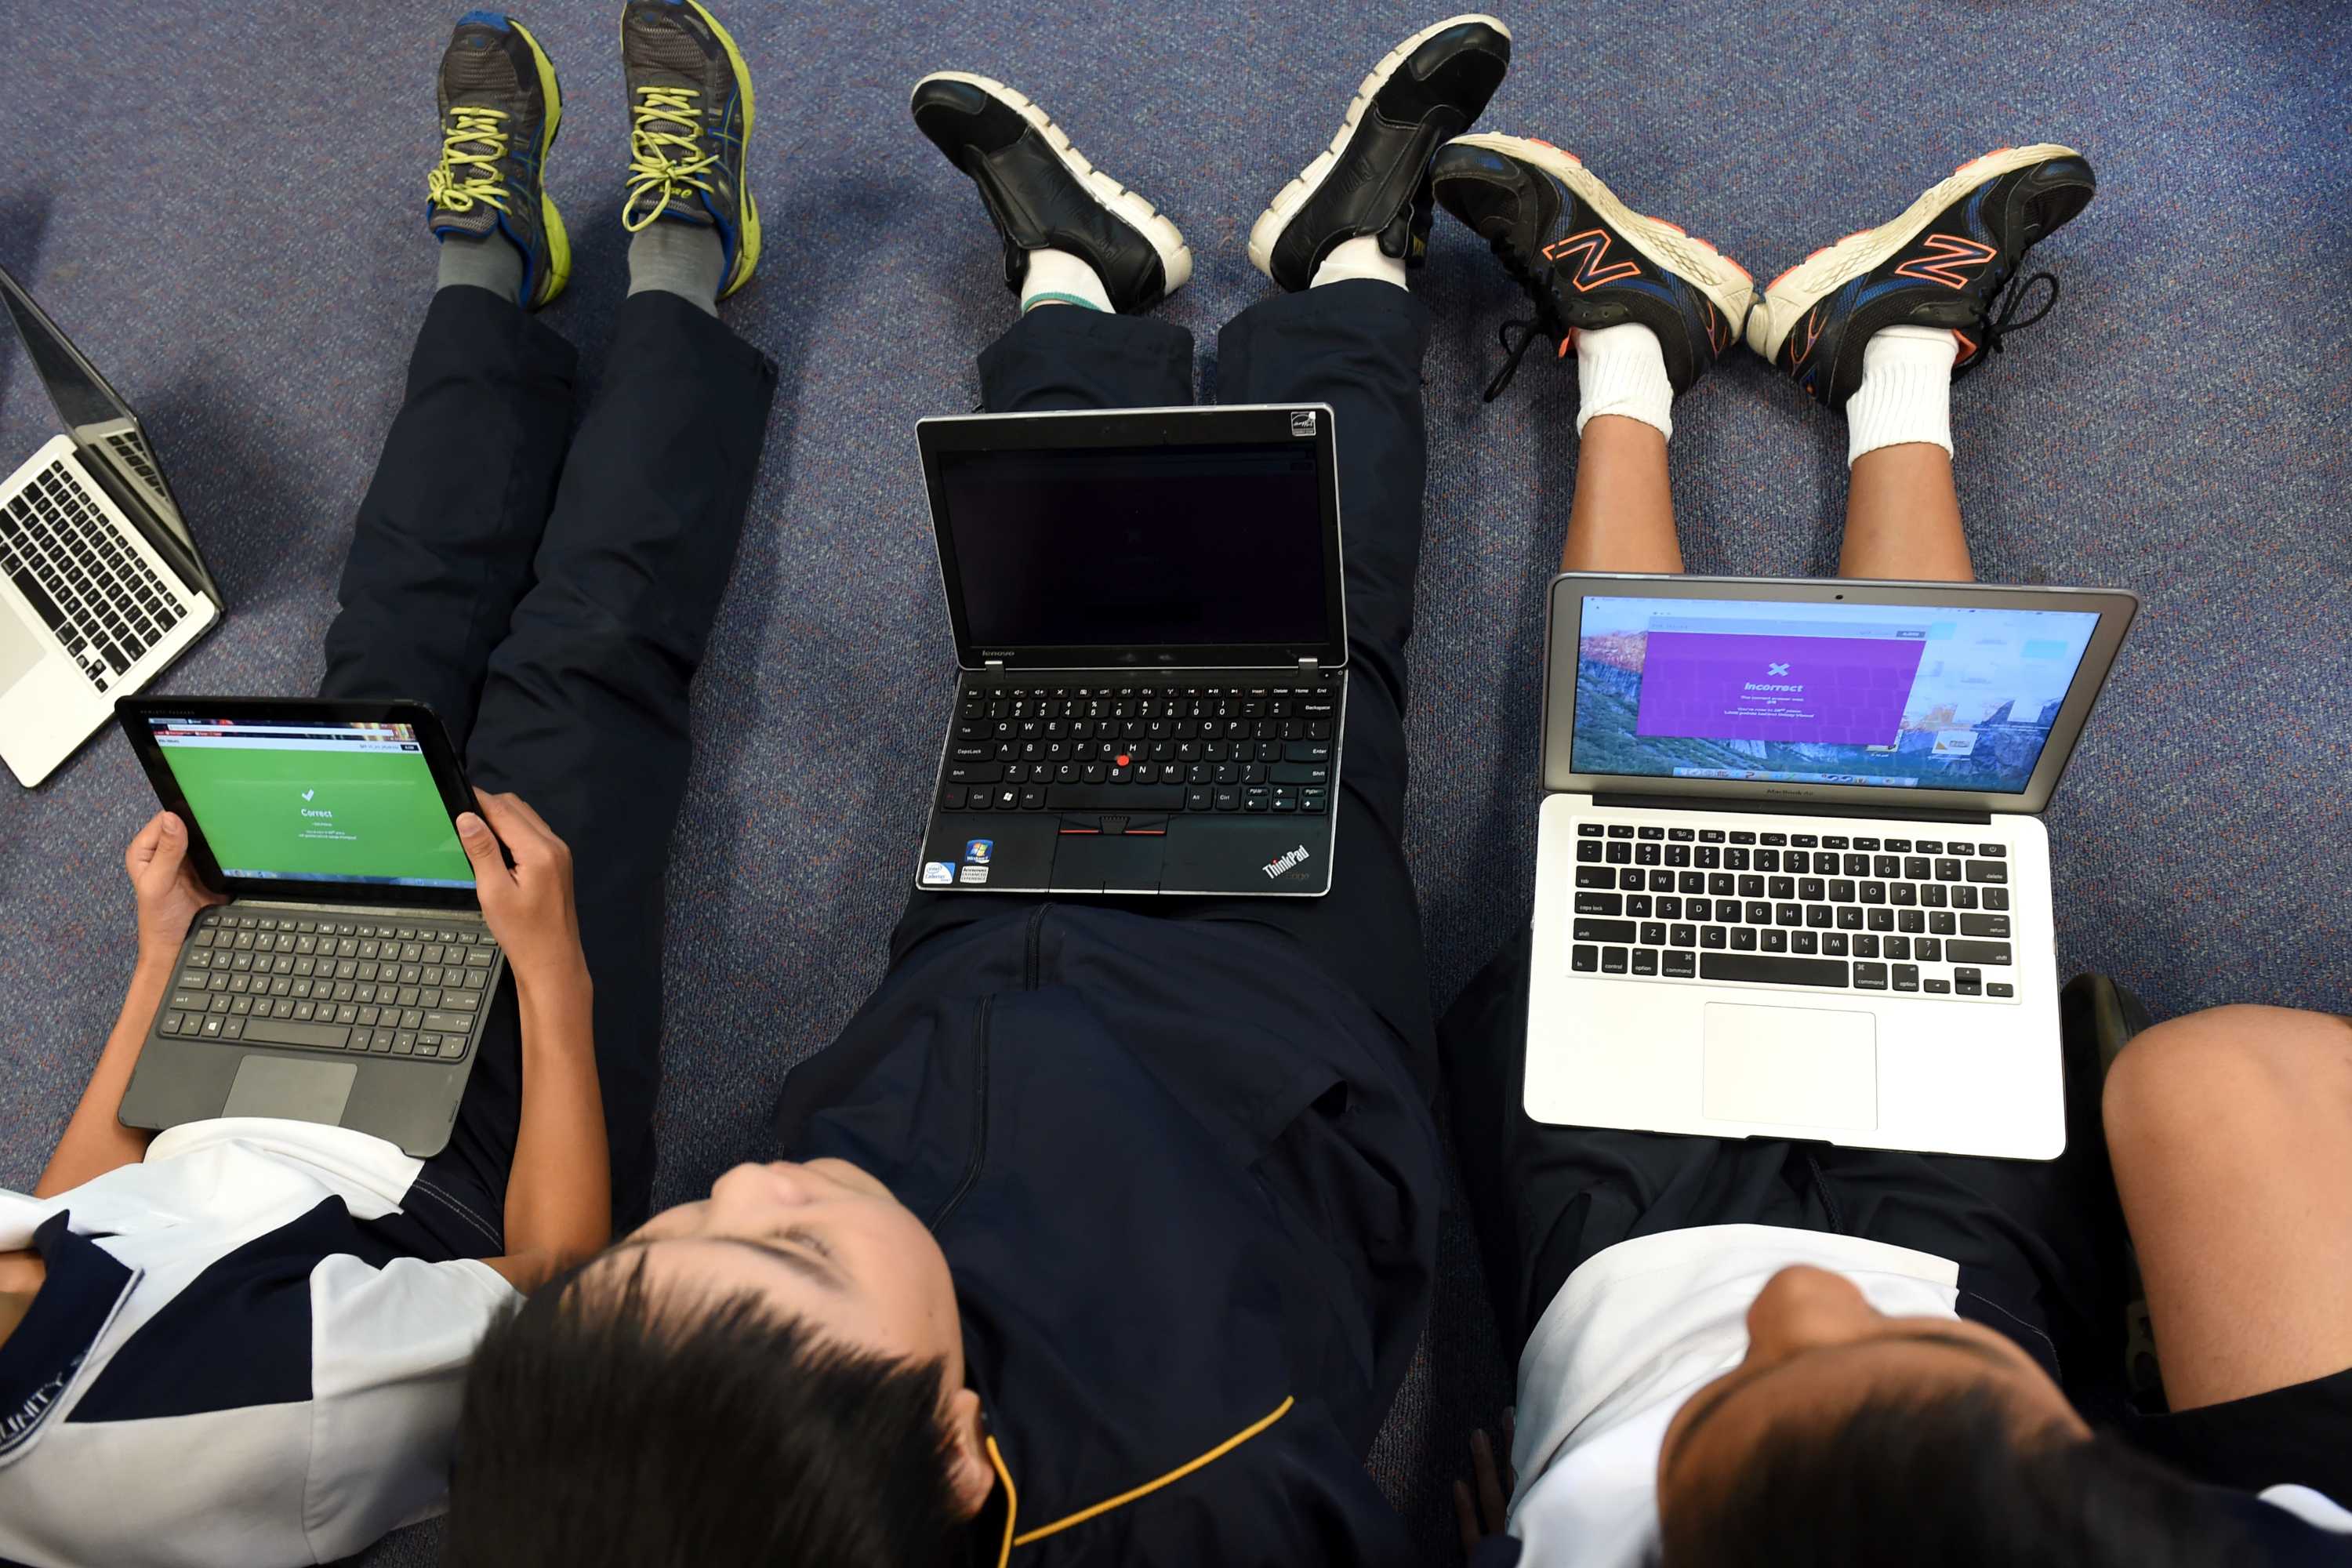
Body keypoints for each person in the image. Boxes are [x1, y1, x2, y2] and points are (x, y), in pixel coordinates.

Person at [441, 17, 1514, 1567]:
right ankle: (1353, 273)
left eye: (677, 1226)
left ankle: (1079, 291)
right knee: (1312, 659)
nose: (746, 1176)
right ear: (956, 1446)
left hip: (971, 996)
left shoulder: (737, 1416)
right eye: (792, 1242)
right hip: (1268, 1038)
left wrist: (836, 1181)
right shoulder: (1213, 1500)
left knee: (1049, 640)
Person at [1423, 133, 2352, 1563]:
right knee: (1925, 799)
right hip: (1971, 1269)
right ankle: (1894, 367)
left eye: (1737, 1394)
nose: (1800, 1298)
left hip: (1620, 1269)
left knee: (1639, 798)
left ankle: (1627, 348)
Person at [0, 5, 774, 1563]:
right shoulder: (241, 1433)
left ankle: (488, 271)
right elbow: (552, 1284)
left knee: (389, 655)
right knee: (581, 682)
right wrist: (554, 980)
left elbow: (71, 1224)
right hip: (456, 1160)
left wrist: (163, 969)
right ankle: (691, 255)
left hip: (227, 1074)